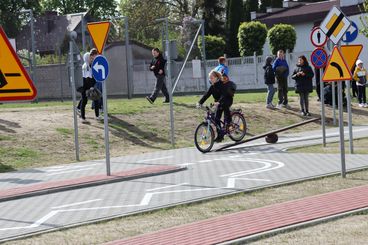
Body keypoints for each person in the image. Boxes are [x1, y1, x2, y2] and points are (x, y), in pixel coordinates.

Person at [197, 70, 235, 142]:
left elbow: (224, 94)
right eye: (209, 78)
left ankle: (229, 123)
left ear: (216, 78)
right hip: (218, 103)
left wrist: (219, 102)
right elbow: (206, 95)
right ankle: (220, 136)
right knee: (216, 118)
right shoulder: (212, 87)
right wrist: (199, 103)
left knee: (224, 106)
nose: (210, 79)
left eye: (211, 78)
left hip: (227, 99)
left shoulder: (222, 84)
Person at [80, 48, 100, 121]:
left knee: (96, 99)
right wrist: (91, 87)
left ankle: (97, 116)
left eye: (92, 58)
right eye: (90, 58)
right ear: (87, 58)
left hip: (91, 85)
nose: (91, 59)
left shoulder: (91, 65)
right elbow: (87, 78)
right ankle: (83, 117)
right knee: (84, 101)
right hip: (85, 86)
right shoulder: (86, 66)